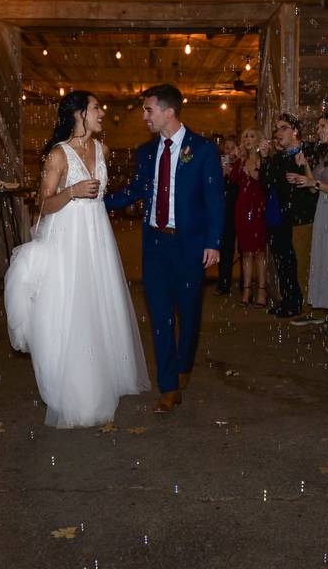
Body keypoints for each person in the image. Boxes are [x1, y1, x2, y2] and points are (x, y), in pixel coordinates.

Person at [5, 90, 150, 427]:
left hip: (97, 237)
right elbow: (43, 204)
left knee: (99, 305)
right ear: (79, 114)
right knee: (73, 309)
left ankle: (104, 377)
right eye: (96, 108)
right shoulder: (58, 155)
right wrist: (71, 192)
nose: (102, 112)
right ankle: (77, 390)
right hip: (67, 239)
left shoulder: (103, 150)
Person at [105, 84, 224, 413]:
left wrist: (214, 242)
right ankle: (168, 386)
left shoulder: (202, 150)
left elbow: (215, 200)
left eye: (148, 110)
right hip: (155, 244)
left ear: (168, 112)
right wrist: (98, 202)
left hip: (190, 245)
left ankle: (184, 362)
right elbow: (134, 190)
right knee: (159, 316)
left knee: (188, 314)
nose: (144, 116)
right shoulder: (145, 153)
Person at [287, 113, 328, 335]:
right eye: (318, 126)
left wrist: (314, 182)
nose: (318, 130)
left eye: (323, 126)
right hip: (324, 211)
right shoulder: (325, 154)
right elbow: (314, 187)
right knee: (327, 261)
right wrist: (304, 168)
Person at [260, 114, 314, 318]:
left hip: (301, 218)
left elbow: (312, 186)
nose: (278, 132)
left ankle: (302, 303)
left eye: (283, 128)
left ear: (295, 131)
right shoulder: (278, 157)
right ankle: (289, 301)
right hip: (280, 218)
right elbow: (265, 184)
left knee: (299, 263)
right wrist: (264, 158)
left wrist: (303, 166)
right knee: (284, 262)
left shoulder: (307, 152)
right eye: (277, 129)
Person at [230, 127, 268, 307]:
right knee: (245, 251)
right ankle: (246, 290)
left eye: (252, 136)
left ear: (258, 139)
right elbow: (234, 179)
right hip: (242, 209)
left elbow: (266, 183)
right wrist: (235, 160)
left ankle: (262, 291)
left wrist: (257, 171)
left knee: (259, 252)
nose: (248, 139)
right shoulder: (241, 160)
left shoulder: (264, 159)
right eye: (245, 136)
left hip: (259, 209)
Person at [216, 136, 239, 296]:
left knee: (242, 249)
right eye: (227, 147)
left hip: (239, 210)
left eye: (232, 147)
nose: (229, 150)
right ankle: (224, 283)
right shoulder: (217, 166)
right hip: (223, 212)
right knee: (224, 248)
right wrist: (222, 174)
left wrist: (232, 173)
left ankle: (244, 285)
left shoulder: (240, 164)